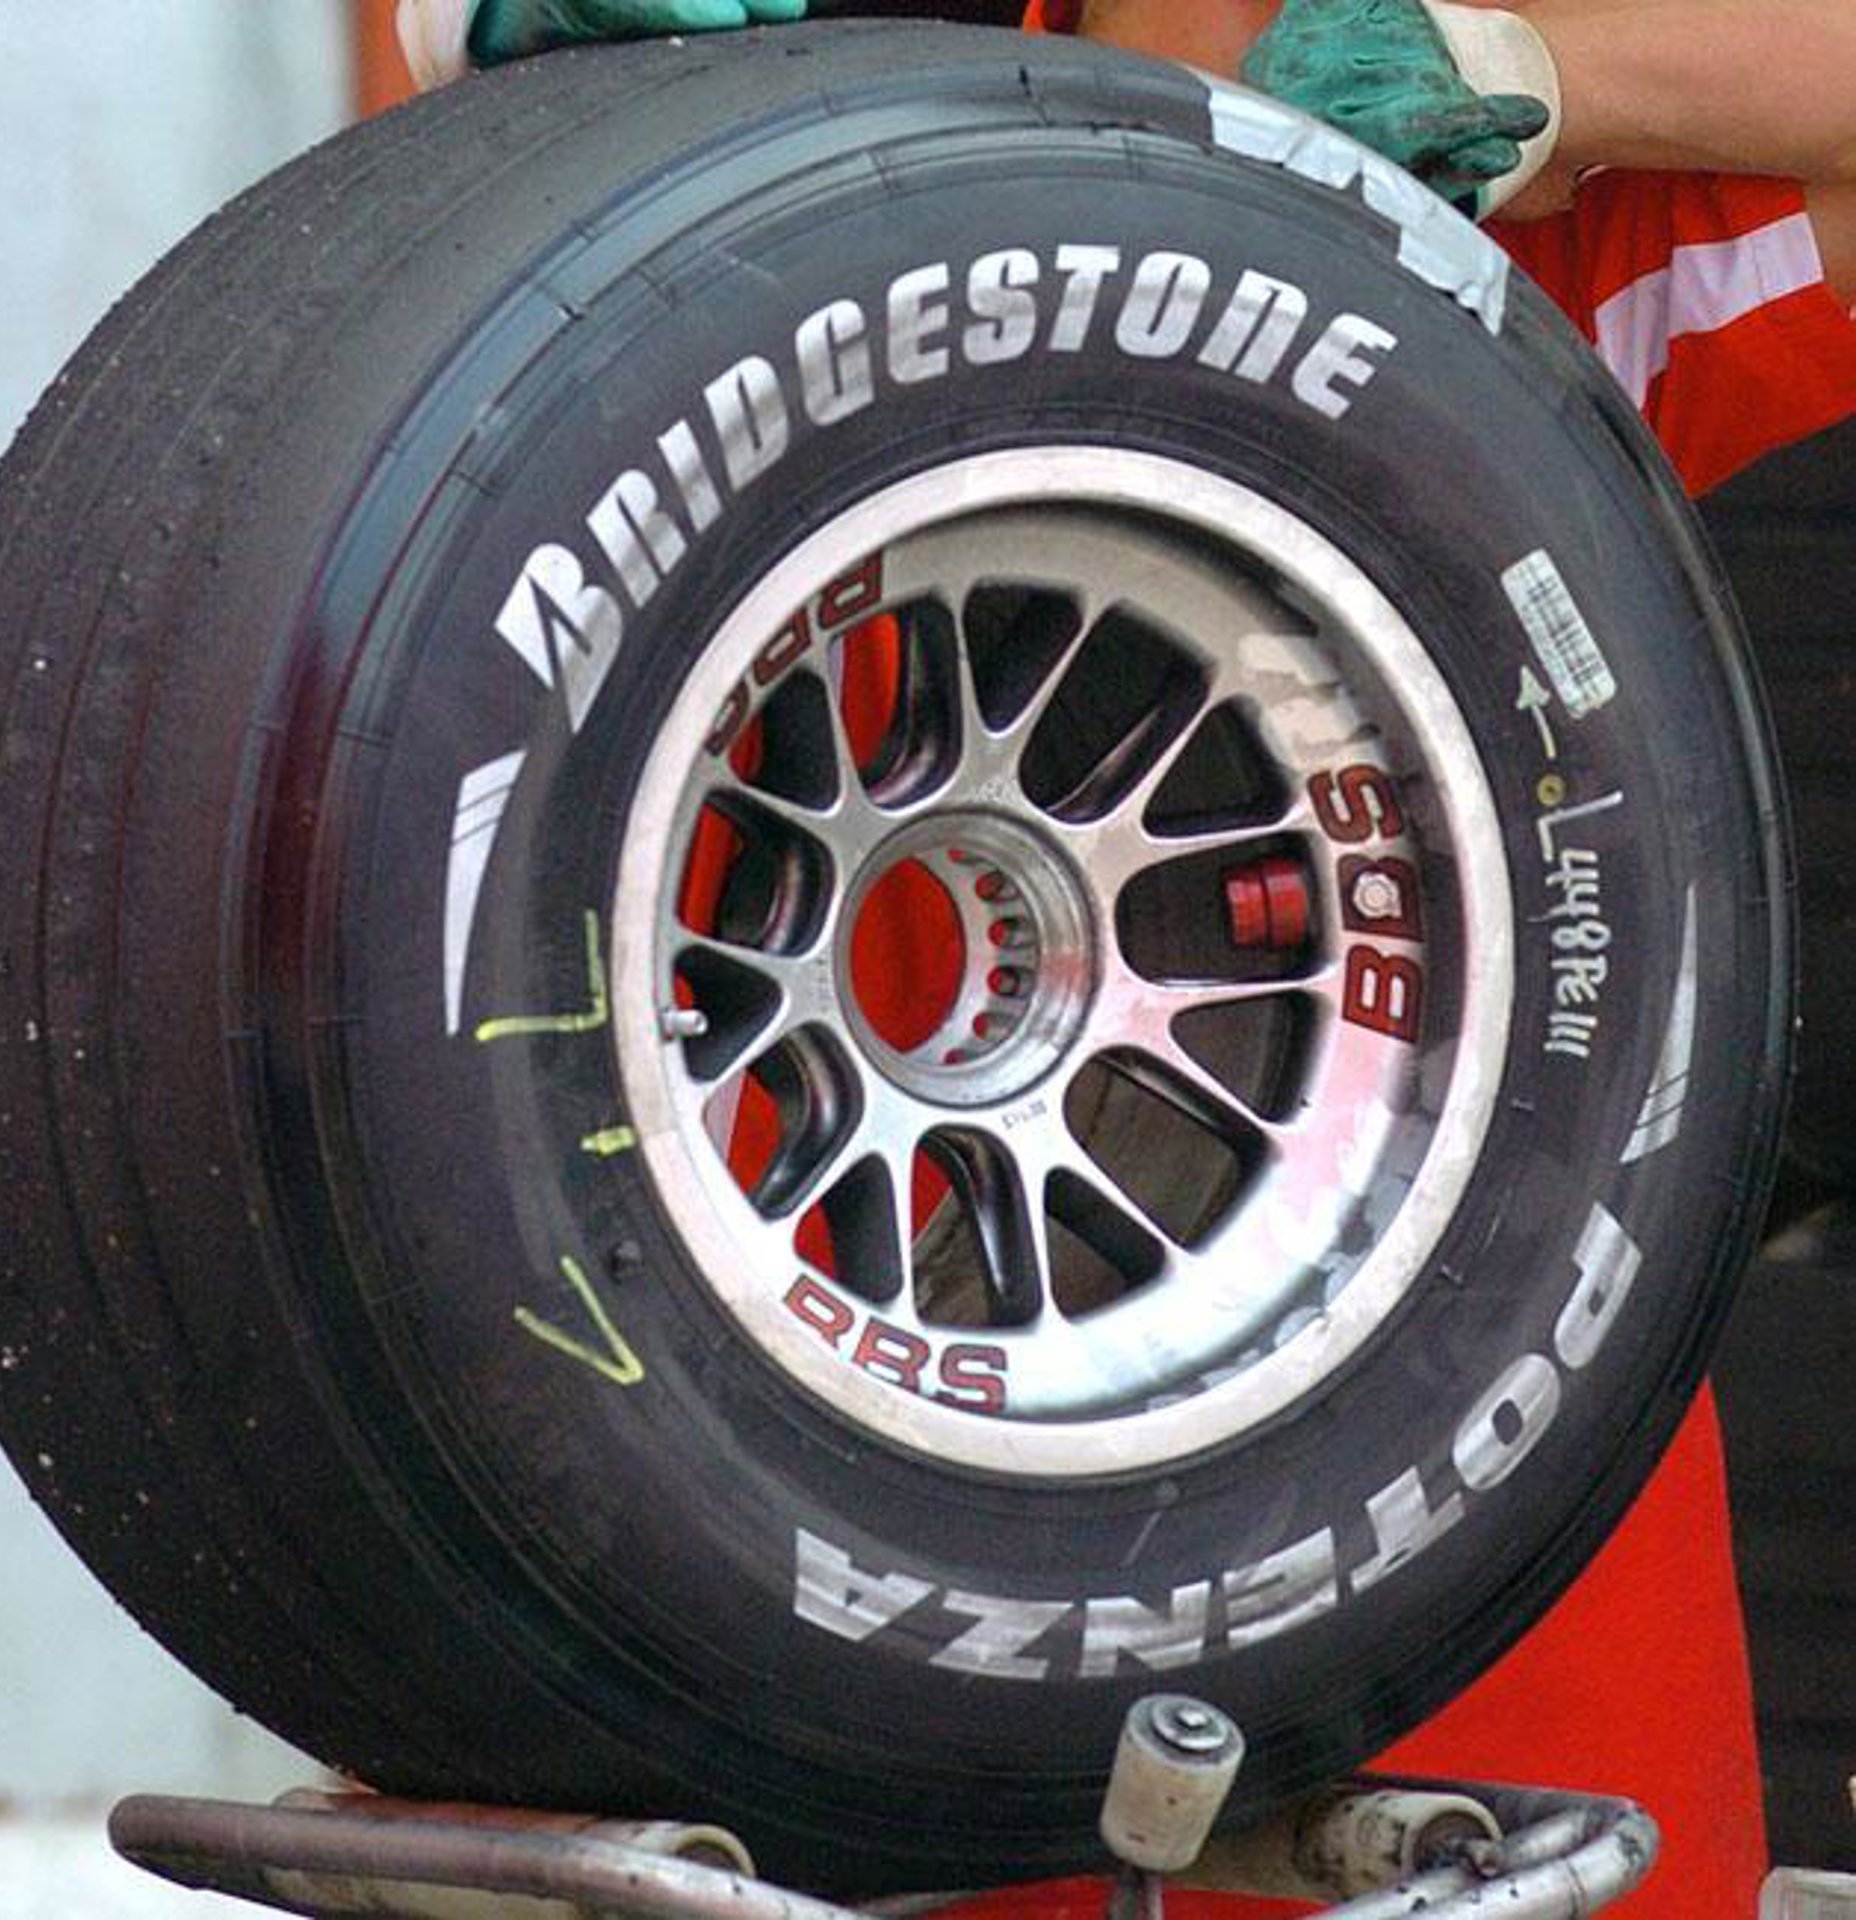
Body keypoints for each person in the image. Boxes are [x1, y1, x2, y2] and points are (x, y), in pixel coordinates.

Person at [394, 4, 1856, 1911]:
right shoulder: (769, 174)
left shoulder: (1500, 249)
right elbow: (320, 445)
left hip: (1460, 1513)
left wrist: (1539, 71)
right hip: (765, 1499)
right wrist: (504, 55)